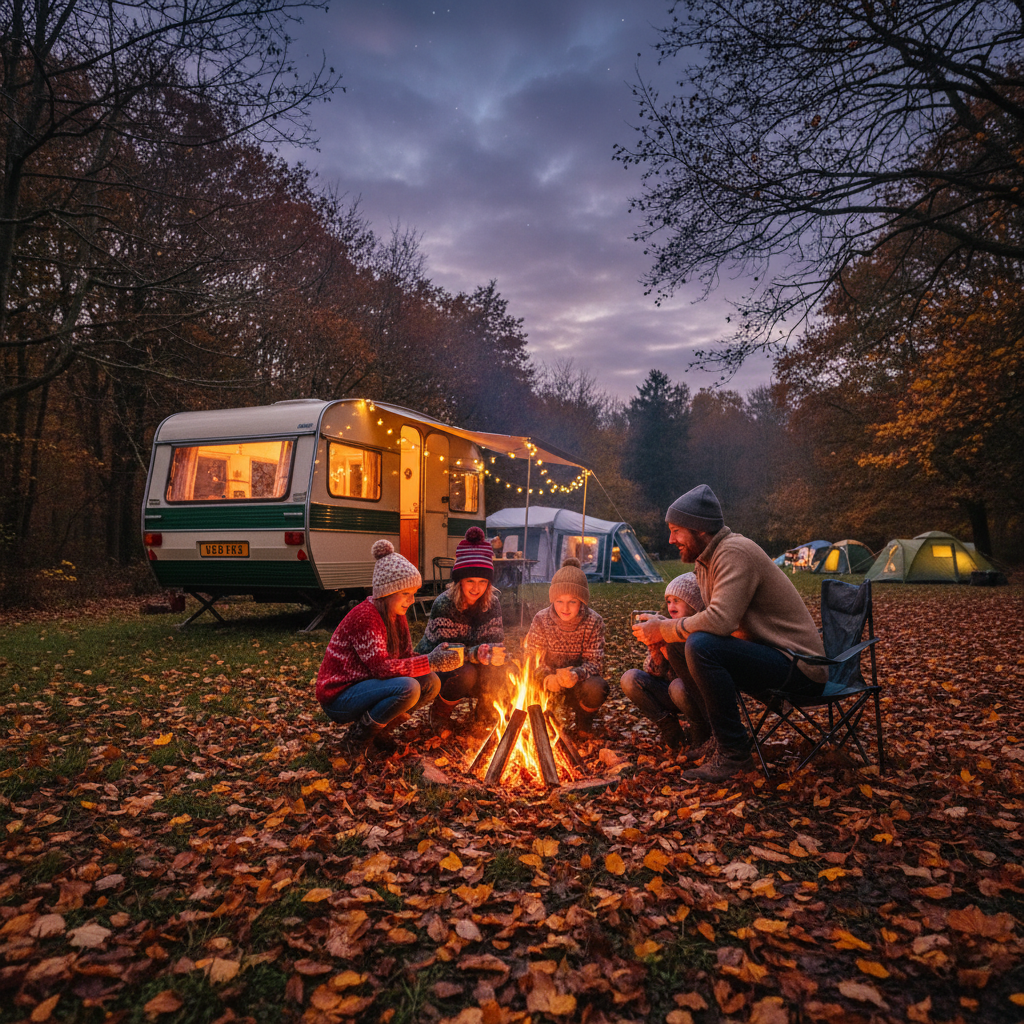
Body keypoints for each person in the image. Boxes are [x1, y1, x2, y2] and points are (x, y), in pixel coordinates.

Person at [633, 484, 828, 782]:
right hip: (768, 656)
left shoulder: (735, 553)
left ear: (699, 529)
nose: (671, 539)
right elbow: (710, 621)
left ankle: (735, 755)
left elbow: (720, 622)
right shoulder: (707, 560)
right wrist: (665, 628)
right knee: (677, 644)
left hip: (799, 667)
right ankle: (717, 739)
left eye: (676, 530)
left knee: (699, 645)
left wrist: (664, 628)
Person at [315, 539, 456, 758]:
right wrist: (430, 661)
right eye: (405, 593)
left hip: (367, 685)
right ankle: (356, 741)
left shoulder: (394, 615)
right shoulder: (366, 617)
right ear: (387, 592)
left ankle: (379, 733)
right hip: (340, 695)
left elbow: (406, 657)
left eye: (414, 593)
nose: (412, 600)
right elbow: (381, 669)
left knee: (431, 682)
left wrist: (435, 660)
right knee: (408, 688)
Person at [418, 527, 507, 730]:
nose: (476, 588)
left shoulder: (492, 604)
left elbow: (494, 640)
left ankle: (485, 712)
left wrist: (498, 654)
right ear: (459, 581)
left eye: (483, 582)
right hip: (436, 665)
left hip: (473, 660)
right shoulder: (444, 604)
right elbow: (447, 654)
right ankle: (439, 713)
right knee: (466, 672)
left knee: (502, 669)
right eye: (470, 581)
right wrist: (480, 653)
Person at [620, 572, 710, 753]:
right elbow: (654, 671)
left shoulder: (698, 632)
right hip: (667, 693)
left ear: (693, 604)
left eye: (677, 600)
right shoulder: (663, 625)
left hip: (695, 697)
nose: (671, 606)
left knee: (677, 686)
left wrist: (669, 646)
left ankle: (700, 730)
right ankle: (669, 726)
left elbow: (693, 674)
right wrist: (656, 647)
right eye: (668, 601)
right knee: (629, 678)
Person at [525, 557, 609, 736]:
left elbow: (595, 663)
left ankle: (583, 723)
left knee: (597, 687)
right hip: (547, 681)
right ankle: (541, 725)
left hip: (577, 682)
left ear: (582, 601)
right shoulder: (541, 619)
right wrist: (548, 677)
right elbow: (532, 657)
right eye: (559, 601)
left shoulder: (594, 621)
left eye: (572, 601)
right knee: (521, 677)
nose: (565, 607)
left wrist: (574, 675)